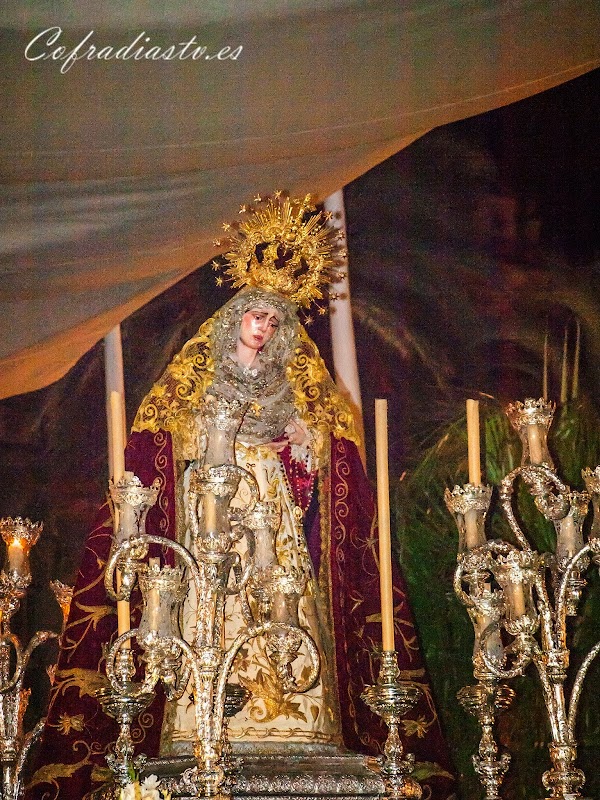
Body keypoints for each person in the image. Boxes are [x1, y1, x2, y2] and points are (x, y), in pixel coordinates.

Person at [26, 194, 454, 799]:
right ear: (235, 318)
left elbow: (321, 471)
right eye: (257, 316)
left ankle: (292, 711)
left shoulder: (289, 386)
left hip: (272, 512)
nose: (266, 327)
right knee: (214, 600)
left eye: (275, 321)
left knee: (282, 594)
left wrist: (304, 443)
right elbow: (167, 447)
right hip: (215, 511)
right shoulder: (198, 379)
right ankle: (203, 715)